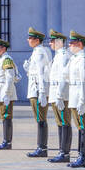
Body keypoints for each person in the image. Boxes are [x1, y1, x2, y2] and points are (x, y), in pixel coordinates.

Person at [24, 27, 51, 157]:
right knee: (39, 119)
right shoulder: (36, 51)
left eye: (30, 38)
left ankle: (42, 148)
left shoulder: (40, 52)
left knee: (41, 119)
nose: (28, 40)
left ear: (37, 40)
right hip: (34, 89)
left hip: (37, 90)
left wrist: (42, 92)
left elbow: (41, 73)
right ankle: (41, 147)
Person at [65, 31, 85, 168]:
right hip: (73, 95)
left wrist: (83, 101)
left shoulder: (83, 59)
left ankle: (84, 157)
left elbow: (84, 82)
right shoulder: (74, 58)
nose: (69, 45)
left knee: (84, 127)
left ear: (80, 44)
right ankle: (80, 155)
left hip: (79, 96)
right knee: (79, 127)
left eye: (72, 42)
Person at [46, 29, 71, 163]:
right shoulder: (58, 55)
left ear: (59, 42)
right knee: (60, 123)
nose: (50, 43)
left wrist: (60, 96)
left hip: (61, 94)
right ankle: (62, 150)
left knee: (64, 122)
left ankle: (65, 152)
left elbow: (63, 77)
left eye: (52, 41)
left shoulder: (64, 56)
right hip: (55, 92)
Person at [0, 36, 18, 150]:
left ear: (4, 48)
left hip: (5, 93)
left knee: (6, 117)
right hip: (1, 92)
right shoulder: (2, 59)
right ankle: (6, 141)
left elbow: (10, 77)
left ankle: (7, 142)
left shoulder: (7, 59)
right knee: (4, 117)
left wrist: (7, 93)